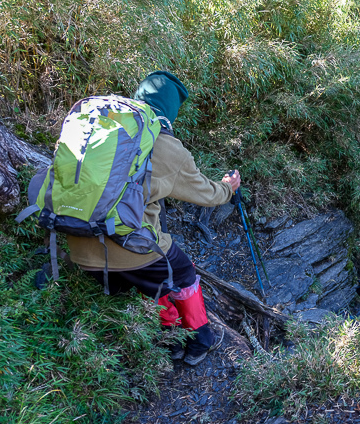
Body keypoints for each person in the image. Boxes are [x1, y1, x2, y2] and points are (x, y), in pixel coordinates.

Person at [66, 71, 241, 366]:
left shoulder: (100, 129)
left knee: (151, 278)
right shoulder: (167, 146)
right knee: (181, 273)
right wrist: (228, 187)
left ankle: (169, 343)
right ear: (170, 110)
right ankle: (200, 342)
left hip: (79, 245)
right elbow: (208, 195)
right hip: (128, 249)